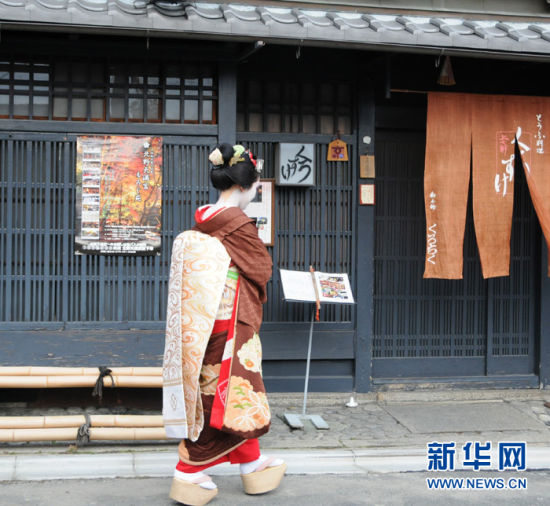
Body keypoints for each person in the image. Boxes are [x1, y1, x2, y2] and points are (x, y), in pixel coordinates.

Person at [163, 143, 286, 506]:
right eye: (256, 187)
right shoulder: (236, 223)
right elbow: (262, 269)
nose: (255, 193)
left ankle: (251, 462)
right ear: (246, 186)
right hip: (232, 321)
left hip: (206, 321)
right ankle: (188, 470)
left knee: (234, 392)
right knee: (222, 394)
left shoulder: (205, 218)